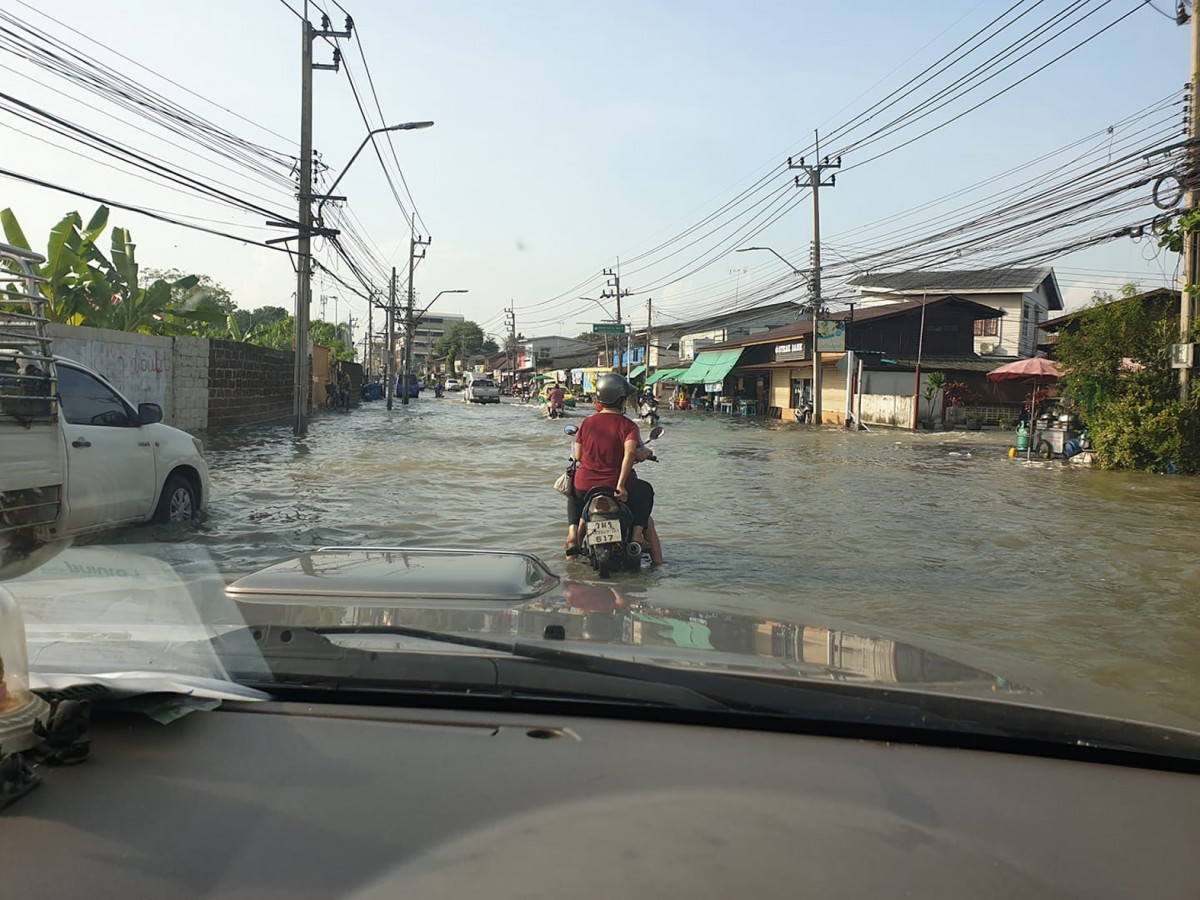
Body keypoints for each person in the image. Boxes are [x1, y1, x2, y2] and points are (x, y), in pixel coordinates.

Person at [565, 373, 663, 564]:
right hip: (615, 484)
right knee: (646, 491)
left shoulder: (587, 422)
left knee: (573, 495)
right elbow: (629, 454)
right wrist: (621, 485)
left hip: (585, 486)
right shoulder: (628, 426)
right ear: (621, 399)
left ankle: (572, 536)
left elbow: (577, 456)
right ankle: (637, 539)